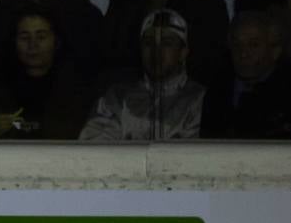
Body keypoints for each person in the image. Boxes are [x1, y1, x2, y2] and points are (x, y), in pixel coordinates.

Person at [0, 8, 96, 140]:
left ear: (56, 41)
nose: (33, 45)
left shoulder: (78, 89)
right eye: (24, 37)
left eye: (41, 37)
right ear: (14, 42)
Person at [83, 10, 206, 141]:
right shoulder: (116, 97)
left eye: (167, 43)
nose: (156, 51)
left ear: (183, 52)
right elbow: (95, 150)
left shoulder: (200, 100)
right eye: (148, 43)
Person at [203, 11, 291, 138]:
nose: (243, 54)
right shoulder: (216, 90)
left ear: (275, 51)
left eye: (253, 45)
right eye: (237, 45)